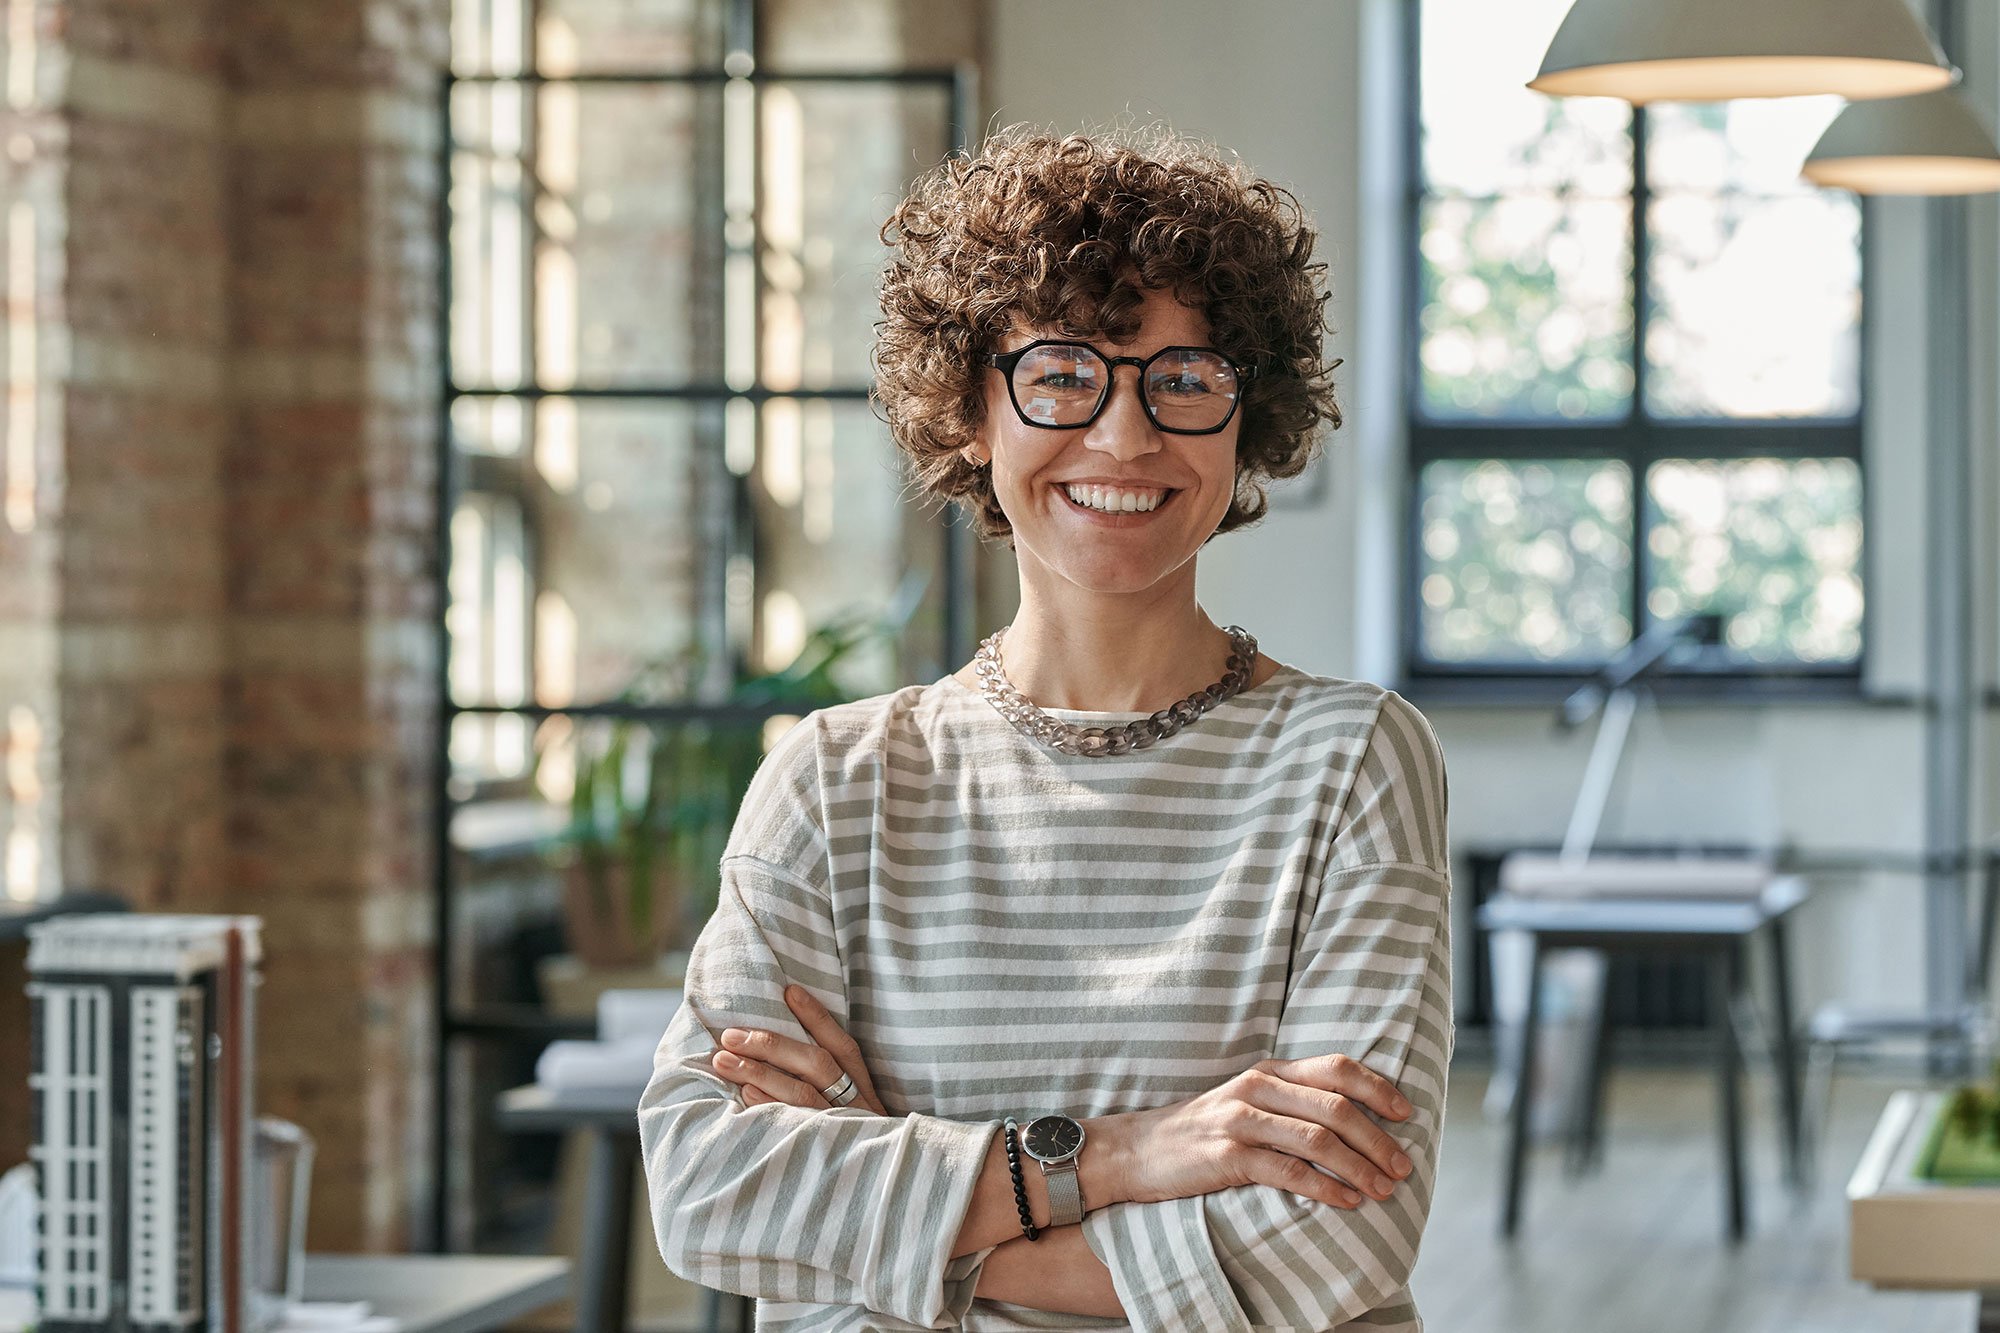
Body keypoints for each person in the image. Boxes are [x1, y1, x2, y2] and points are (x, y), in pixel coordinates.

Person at [638, 123, 1454, 1332]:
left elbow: (1331, 1245)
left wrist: (894, 1214)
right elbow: (712, 1191)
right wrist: (1114, 1159)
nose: (1125, 439)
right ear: (970, 409)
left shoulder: (1351, 760)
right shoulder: (834, 780)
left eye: (1182, 379)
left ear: (1244, 423)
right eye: (1062, 374)